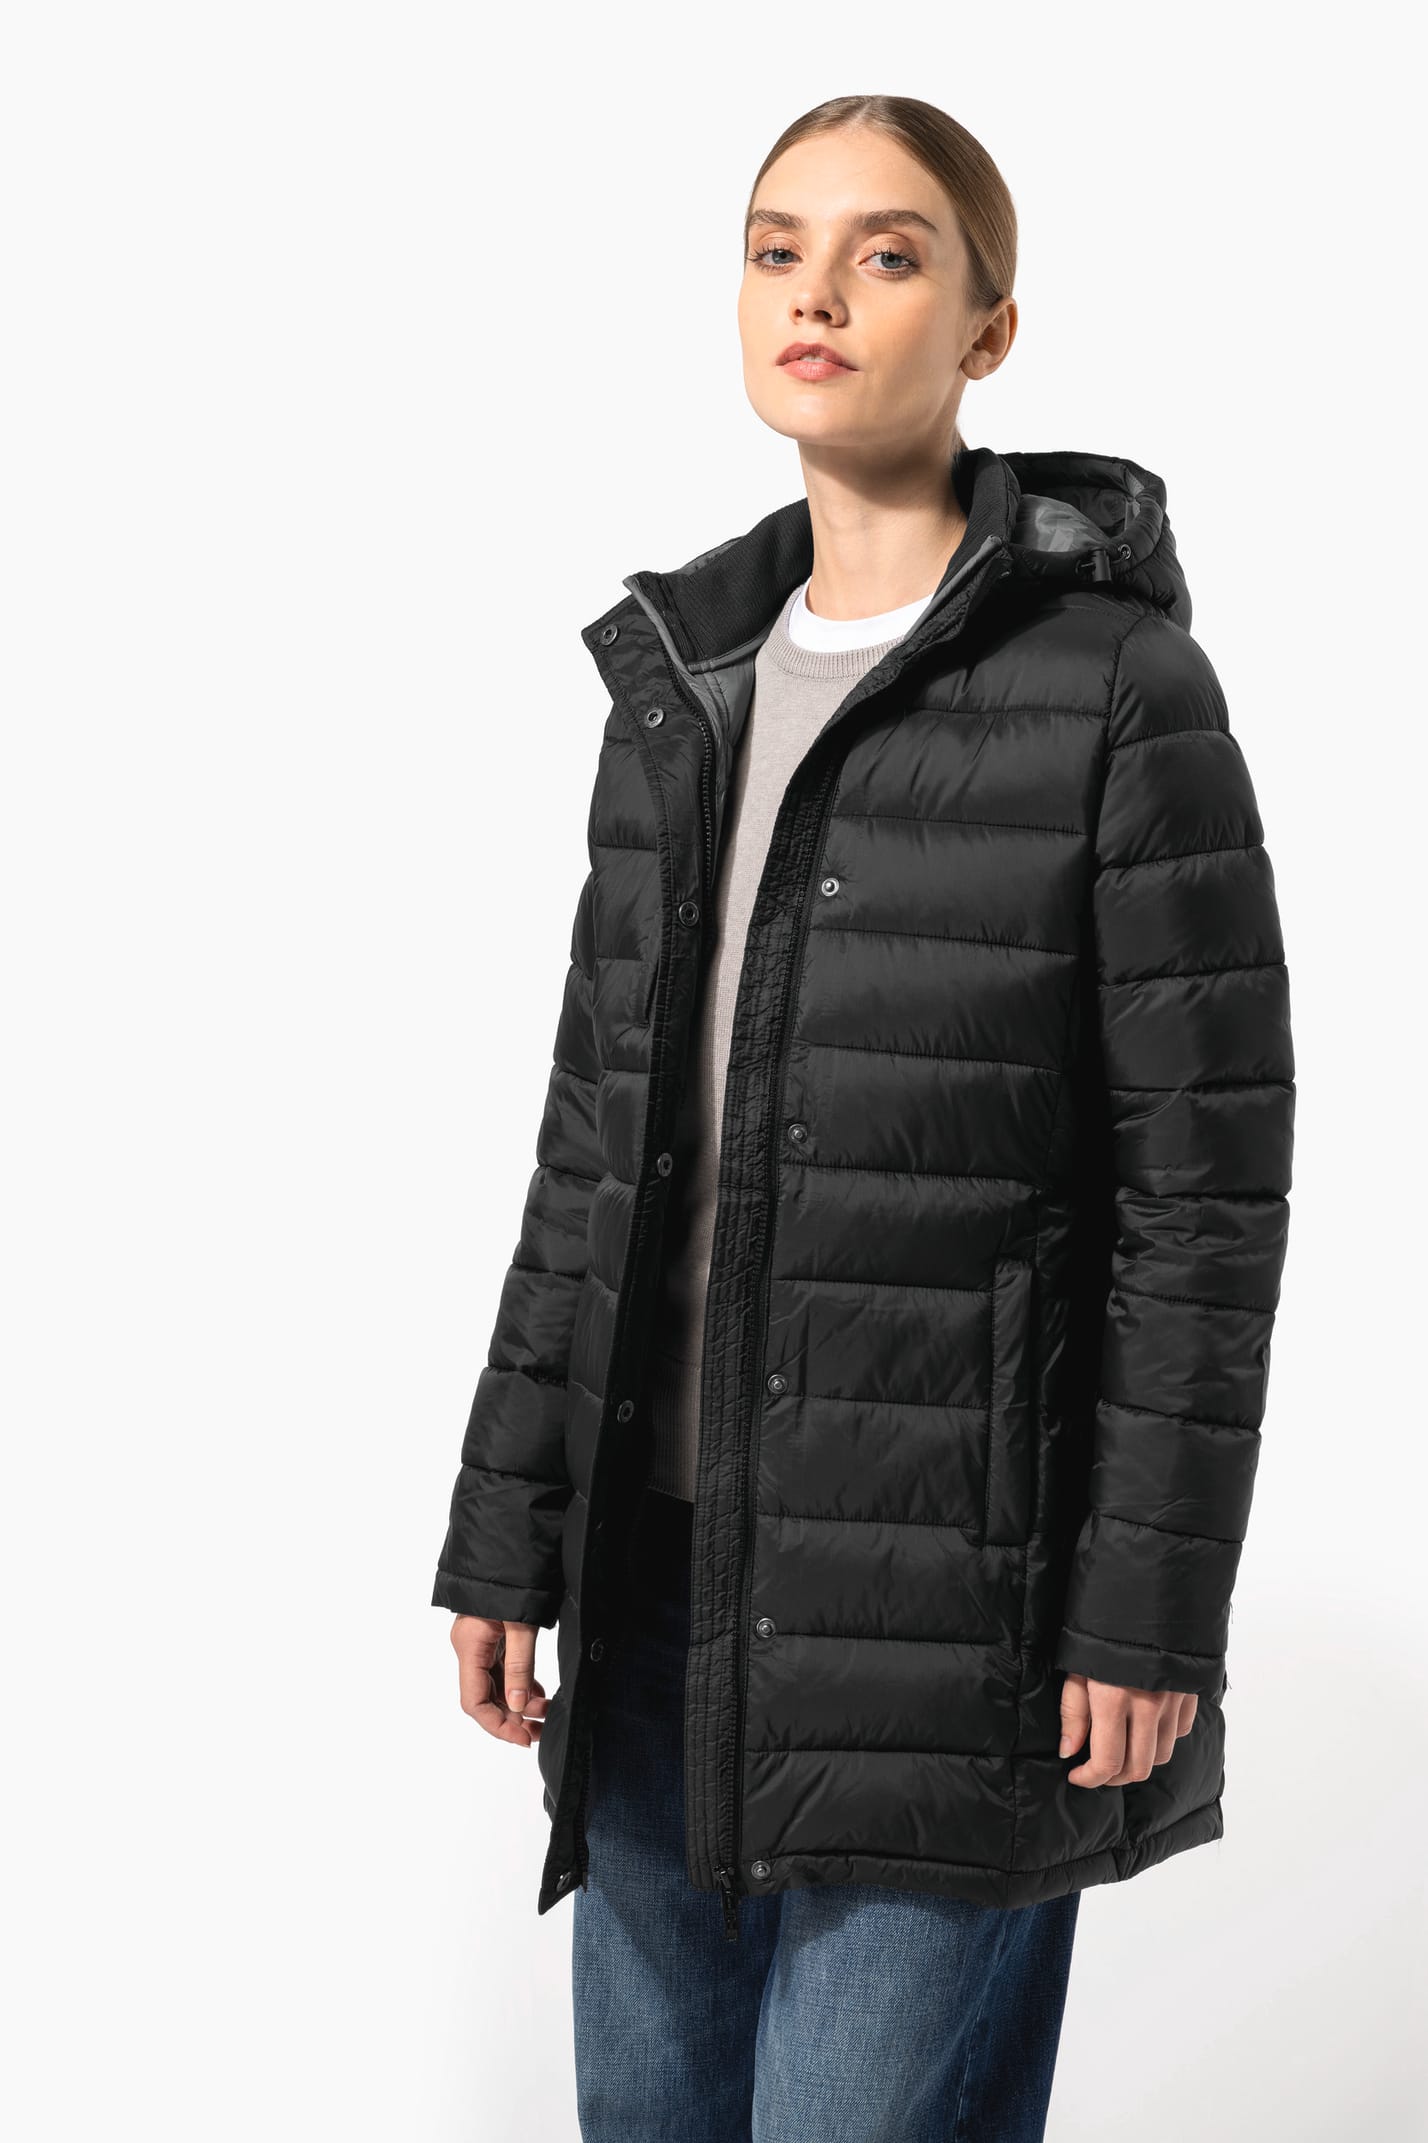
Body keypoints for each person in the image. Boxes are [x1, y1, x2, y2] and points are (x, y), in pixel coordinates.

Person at [432, 93, 1295, 2143]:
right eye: (776, 247)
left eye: (887, 253)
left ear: (989, 330)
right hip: (656, 1584)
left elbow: (1204, 1200)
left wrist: (1145, 1608)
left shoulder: (1118, 693)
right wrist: (508, 1518)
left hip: (957, 1608)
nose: (816, 291)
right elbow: (594, 1149)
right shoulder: (678, 690)